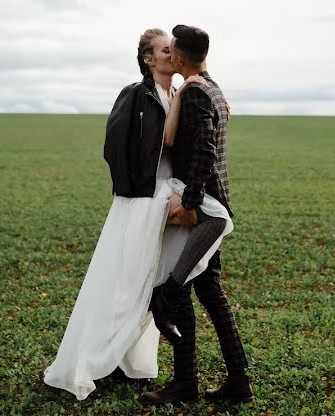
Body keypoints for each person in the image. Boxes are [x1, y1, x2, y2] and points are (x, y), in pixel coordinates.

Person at [43, 28, 233, 401]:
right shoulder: (135, 94)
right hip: (143, 197)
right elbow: (114, 148)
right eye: (165, 49)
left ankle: (141, 363)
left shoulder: (180, 93)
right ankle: (90, 360)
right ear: (149, 59)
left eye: (173, 48)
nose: (171, 53)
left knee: (151, 281)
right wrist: (142, 194)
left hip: (171, 193)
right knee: (120, 283)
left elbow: (182, 141)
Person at [141, 24, 253, 405]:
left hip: (205, 209)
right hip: (216, 201)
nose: (169, 54)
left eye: (172, 50)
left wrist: (188, 204)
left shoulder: (193, 96)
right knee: (209, 290)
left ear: (182, 58)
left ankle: (186, 383)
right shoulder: (214, 89)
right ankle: (237, 381)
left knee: (182, 290)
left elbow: (204, 152)